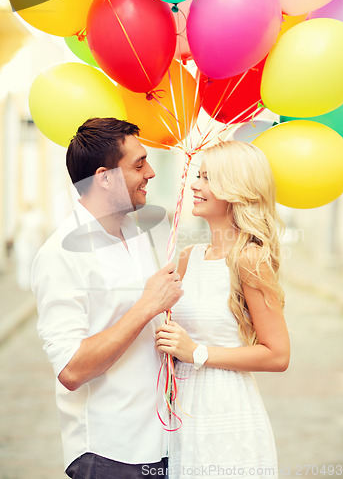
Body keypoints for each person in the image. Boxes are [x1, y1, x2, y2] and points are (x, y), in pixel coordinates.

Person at [31, 117, 184, 478]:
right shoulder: (60, 255)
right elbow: (71, 369)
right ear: (104, 177)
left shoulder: (137, 232)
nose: (150, 172)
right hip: (110, 453)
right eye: (138, 164)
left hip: (163, 443)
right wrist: (147, 305)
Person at [155, 140, 290, 479]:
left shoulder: (249, 259)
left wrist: (197, 352)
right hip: (180, 410)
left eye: (207, 178)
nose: (195, 185)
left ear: (236, 189)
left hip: (225, 409)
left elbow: (277, 355)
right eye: (198, 175)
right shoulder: (187, 257)